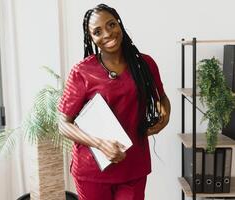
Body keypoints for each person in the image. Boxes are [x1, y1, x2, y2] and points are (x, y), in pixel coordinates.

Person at [58, 3, 170, 200]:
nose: (107, 34)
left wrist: (164, 114)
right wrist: (100, 144)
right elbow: (63, 124)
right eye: (97, 31)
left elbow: (162, 98)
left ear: (119, 23)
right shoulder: (82, 71)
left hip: (133, 165)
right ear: (91, 38)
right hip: (92, 170)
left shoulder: (145, 64)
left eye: (111, 25)